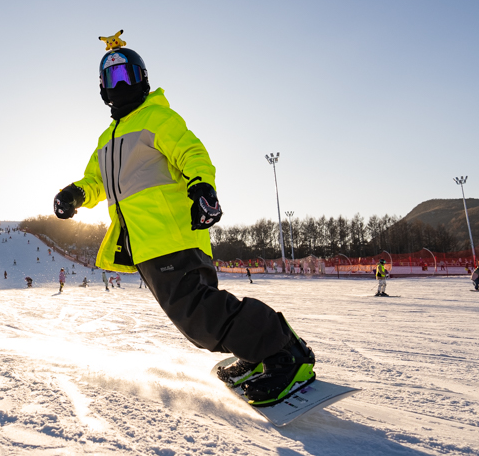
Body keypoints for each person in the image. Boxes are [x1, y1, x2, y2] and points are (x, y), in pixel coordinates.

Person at [52, 34, 315, 405]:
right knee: (199, 316)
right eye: (113, 80)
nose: (122, 85)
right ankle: (259, 351)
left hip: (172, 236)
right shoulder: (105, 141)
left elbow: (193, 153)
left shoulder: (158, 117)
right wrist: (75, 194)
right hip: (146, 244)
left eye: (127, 75)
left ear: (142, 78)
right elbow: (97, 181)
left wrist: (202, 187)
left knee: (199, 316)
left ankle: (284, 353)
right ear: (102, 90)